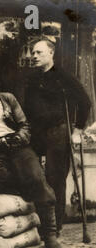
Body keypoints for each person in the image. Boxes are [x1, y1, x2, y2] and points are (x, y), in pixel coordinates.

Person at [0, 70, 63, 248]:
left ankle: (49, 235)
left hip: (15, 145)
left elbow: (24, 125)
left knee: (35, 176)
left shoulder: (8, 99)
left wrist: (15, 139)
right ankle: (25, 188)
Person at [24, 39, 91, 237]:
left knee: (55, 179)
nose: (34, 56)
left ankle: (56, 227)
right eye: (33, 53)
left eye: (39, 53)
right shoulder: (32, 79)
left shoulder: (64, 78)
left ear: (51, 53)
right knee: (35, 177)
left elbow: (85, 102)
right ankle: (39, 221)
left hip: (58, 132)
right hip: (36, 134)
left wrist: (77, 130)